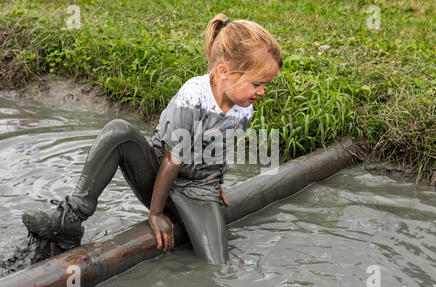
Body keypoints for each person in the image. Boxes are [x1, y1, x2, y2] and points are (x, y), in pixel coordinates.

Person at [22, 14, 282, 265]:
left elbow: (218, 150)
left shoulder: (244, 109)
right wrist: (156, 214)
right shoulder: (193, 97)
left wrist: (217, 182)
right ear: (225, 72)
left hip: (198, 189)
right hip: (159, 173)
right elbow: (171, 160)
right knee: (119, 131)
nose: (262, 92)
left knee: (215, 265)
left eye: (264, 85)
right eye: (257, 84)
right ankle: (70, 218)